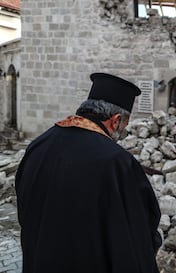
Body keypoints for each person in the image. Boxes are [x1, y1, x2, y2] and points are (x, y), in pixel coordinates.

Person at [15, 73, 161, 273]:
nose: (121, 135)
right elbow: (136, 234)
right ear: (116, 120)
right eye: (123, 128)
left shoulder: (38, 146)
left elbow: (24, 209)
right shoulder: (116, 162)